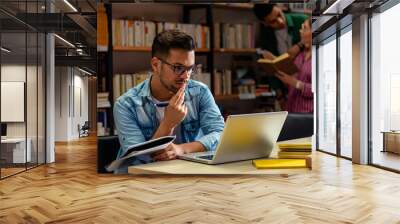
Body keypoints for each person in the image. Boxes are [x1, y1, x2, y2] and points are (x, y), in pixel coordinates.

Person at [113, 30, 225, 173]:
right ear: (155, 65)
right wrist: (168, 123)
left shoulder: (200, 92)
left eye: (190, 69)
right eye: (178, 68)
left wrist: (181, 149)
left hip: (185, 173)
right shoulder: (126, 105)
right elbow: (137, 159)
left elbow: (220, 133)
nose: (186, 76)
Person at [275, 19, 313, 113]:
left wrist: (295, 83)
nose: (300, 31)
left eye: (304, 28)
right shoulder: (300, 55)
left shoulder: (321, 56)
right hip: (292, 110)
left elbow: (322, 90)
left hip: (308, 114)